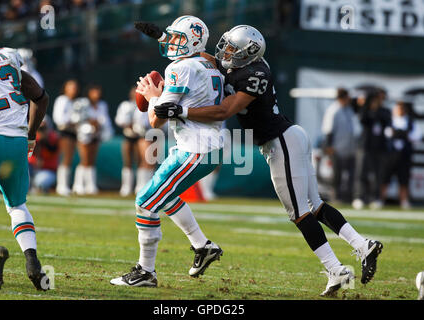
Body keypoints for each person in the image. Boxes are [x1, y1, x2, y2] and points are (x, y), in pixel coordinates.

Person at [142, 23, 384, 296]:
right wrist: (165, 37)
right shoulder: (238, 64)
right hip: (287, 136)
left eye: (233, 48)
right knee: (314, 205)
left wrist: (181, 110)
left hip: (281, 140)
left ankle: (336, 269)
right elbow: (203, 55)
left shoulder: (256, 73)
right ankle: (363, 246)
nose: (226, 51)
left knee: (299, 213)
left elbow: (224, 111)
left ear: (248, 53)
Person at [110, 16, 224, 287]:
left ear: (192, 43)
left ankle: (146, 272)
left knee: (145, 201)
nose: (172, 43)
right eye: (171, 37)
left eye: (177, 39)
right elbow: (198, 54)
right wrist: (163, 37)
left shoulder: (179, 68)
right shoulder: (209, 63)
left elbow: (156, 120)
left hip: (197, 149)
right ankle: (202, 246)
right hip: (204, 146)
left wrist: (152, 96)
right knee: (165, 196)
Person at [0, 21, 50, 291]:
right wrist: (30, 135)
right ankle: (34, 265)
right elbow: (41, 97)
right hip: (17, 142)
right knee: (17, 205)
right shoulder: (6, 56)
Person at [352, 90, 391, 210]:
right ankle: (359, 197)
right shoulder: (365, 110)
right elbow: (362, 119)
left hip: (379, 148)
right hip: (365, 146)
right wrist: (366, 105)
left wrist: (376, 111)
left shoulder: (384, 111)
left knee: (377, 175)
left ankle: (375, 198)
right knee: (361, 173)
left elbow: (387, 121)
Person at [71, 84, 113, 195]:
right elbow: (76, 118)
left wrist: (100, 126)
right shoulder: (82, 103)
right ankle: (78, 185)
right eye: (94, 92)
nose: (96, 94)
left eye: (98, 92)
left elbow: (105, 120)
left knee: (91, 160)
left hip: (96, 135)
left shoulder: (102, 105)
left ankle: (90, 185)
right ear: (89, 92)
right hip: (84, 135)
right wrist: (90, 122)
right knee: (84, 159)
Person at [380, 101, 422, 209]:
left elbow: (416, 136)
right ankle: (380, 199)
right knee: (385, 178)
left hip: (404, 155)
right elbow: (387, 134)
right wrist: (402, 134)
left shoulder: (410, 122)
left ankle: (404, 200)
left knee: (404, 179)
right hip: (390, 154)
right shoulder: (389, 121)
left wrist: (401, 134)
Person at [321, 88, 360, 203]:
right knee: (336, 174)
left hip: (349, 147)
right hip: (336, 148)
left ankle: (348, 197)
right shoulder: (333, 110)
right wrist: (329, 146)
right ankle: (335, 196)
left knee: (350, 174)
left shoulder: (349, 110)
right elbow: (328, 129)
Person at [115, 87, 154, 197]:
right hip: (128, 135)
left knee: (144, 160)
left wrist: (141, 127)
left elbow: (149, 122)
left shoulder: (149, 106)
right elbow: (119, 120)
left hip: (143, 136)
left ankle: (141, 186)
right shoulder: (125, 105)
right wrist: (127, 124)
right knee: (128, 160)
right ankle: (126, 187)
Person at [52, 79, 79, 196]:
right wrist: (70, 122)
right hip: (65, 132)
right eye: (71, 87)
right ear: (65, 88)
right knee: (65, 158)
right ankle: (61, 185)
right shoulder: (62, 100)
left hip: (72, 132)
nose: (73, 90)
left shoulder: (75, 102)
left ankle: (65, 185)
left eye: (75, 87)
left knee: (69, 158)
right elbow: (58, 118)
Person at [28, 115, 59, 193]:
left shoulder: (53, 137)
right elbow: (29, 151)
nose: (41, 130)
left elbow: (52, 150)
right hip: (32, 169)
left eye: (43, 128)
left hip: (47, 170)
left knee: (41, 182)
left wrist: (44, 140)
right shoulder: (31, 136)